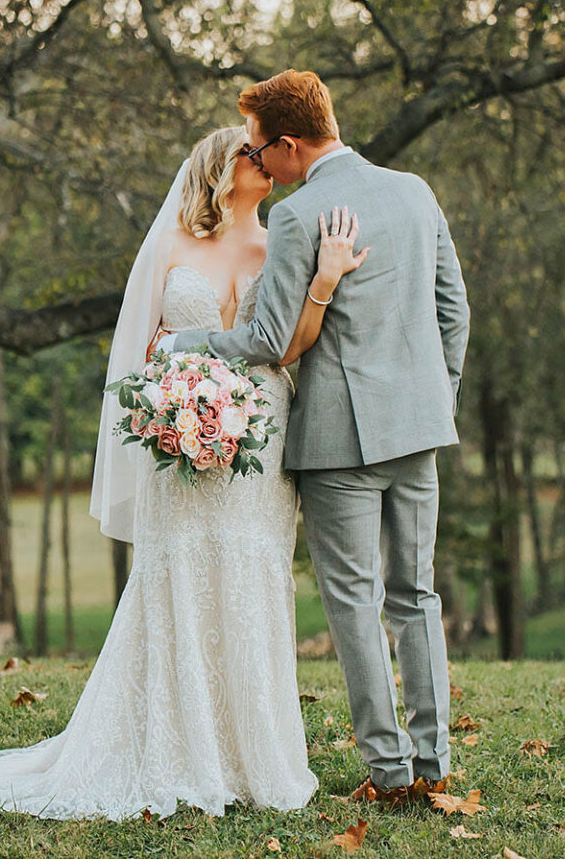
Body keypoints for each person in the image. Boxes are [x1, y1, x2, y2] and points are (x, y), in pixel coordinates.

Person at [0, 124, 368, 820]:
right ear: (220, 168)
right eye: (251, 155)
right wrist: (172, 410)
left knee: (252, 579)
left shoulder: (281, 239)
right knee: (182, 578)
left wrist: (322, 281)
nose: (266, 163)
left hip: (262, 444)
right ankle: (175, 749)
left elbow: (286, 346)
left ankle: (254, 756)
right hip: (183, 438)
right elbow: (141, 355)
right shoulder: (170, 245)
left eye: (267, 153)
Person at [160, 69, 471, 804]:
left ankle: (390, 775)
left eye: (264, 151)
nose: (261, 164)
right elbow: (453, 312)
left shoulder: (300, 217)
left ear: (291, 144)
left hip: (340, 444)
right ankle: (435, 761)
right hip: (420, 432)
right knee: (417, 594)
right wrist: (434, 398)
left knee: (356, 603)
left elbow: (266, 337)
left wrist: (186, 343)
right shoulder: (415, 191)